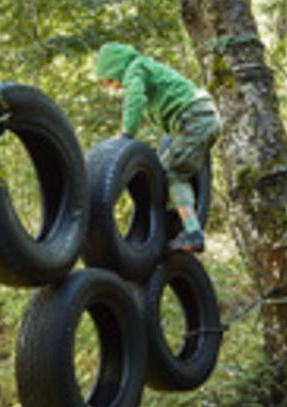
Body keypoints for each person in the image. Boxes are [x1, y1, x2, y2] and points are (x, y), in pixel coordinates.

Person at [95, 42, 221, 253]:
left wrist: (126, 135)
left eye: (110, 81)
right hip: (201, 117)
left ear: (115, 67)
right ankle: (174, 226)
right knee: (165, 168)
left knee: (172, 173)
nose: (115, 87)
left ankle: (193, 234)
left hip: (195, 118)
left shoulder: (136, 69)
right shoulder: (146, 68)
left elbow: (135, 99)